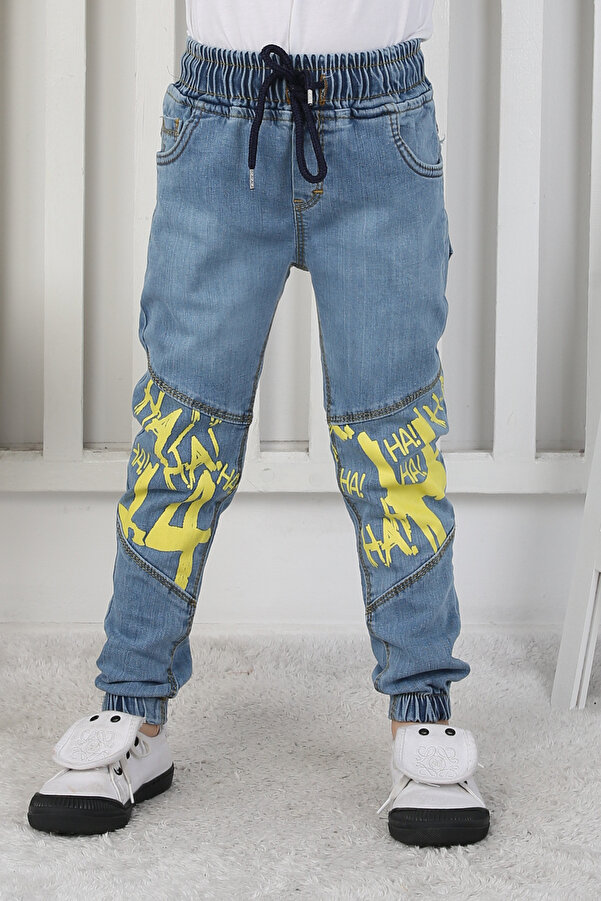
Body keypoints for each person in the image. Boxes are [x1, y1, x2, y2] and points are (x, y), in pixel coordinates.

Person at [27, 0, 490, 847]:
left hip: (382, 121)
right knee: (179, 433)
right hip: (220, 120)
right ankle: (134, 703)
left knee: (394, 439)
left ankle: (422, 707)